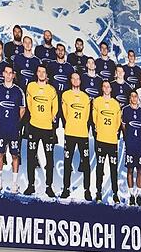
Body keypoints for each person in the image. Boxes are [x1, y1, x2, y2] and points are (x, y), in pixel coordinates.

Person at [0, 64, 26, 193]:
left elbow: (22, 109)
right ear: (3, 74)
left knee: (15, 155)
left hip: (13, 129)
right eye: (6, 72)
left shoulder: (18, 91)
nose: (8, 75)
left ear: (13, 75)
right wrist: (0, 118)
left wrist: (15, 122)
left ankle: (15, 183)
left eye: (11, 72)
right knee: (0, 153)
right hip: (1, 128)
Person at [25, 65, 58, 197]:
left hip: (47, 128)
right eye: (39, 71)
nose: (41, 74)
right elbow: (29, 103)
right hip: (33, 126)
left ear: (46, 74)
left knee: (49, 159)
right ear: (36, 73)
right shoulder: (31, 86)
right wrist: (35, 116)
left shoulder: (51, 90)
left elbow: (55, 108)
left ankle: (49, 186)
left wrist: (49, 119)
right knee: (31, 157)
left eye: (44, 72)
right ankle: (30, 185)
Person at [61, 72, 92, 200]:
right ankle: (66, 189)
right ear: (70, 80)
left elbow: (86, 116)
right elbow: (65, 114)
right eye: (73, 78)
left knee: (85, 163)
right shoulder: (66, 95)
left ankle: (87, 190)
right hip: (70, 133)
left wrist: (80, 126)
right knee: (67, 162)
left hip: (82, 133)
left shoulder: (86, 97)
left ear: (80, 81)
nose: (75, 80)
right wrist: (71, 124)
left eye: (77, 78)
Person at [93, 80, 122, 203]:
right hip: (101, 139)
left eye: (108, 87)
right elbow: (94, 118)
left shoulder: (116, 104)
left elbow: (118, 122)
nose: (106, 88)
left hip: (112, 141)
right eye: (104, 86)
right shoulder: (97, 101)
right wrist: (99, 130)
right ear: (102, 88)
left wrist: (113, 132)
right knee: (99, 168)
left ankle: (115, 193)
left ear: (111, 89)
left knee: (113, 168)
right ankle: (98, 192)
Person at [122, 90, 141, 206]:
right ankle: (131, 195)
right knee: (130, 169)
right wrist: (128, 138)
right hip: (130, 144)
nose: (134, 98)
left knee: (140, 170)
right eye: (132, 96)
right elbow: (124, 126)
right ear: (130, 98)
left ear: (138, 98)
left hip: (140, 145)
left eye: (135, 96)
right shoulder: (125, 110)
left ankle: (139, 195)